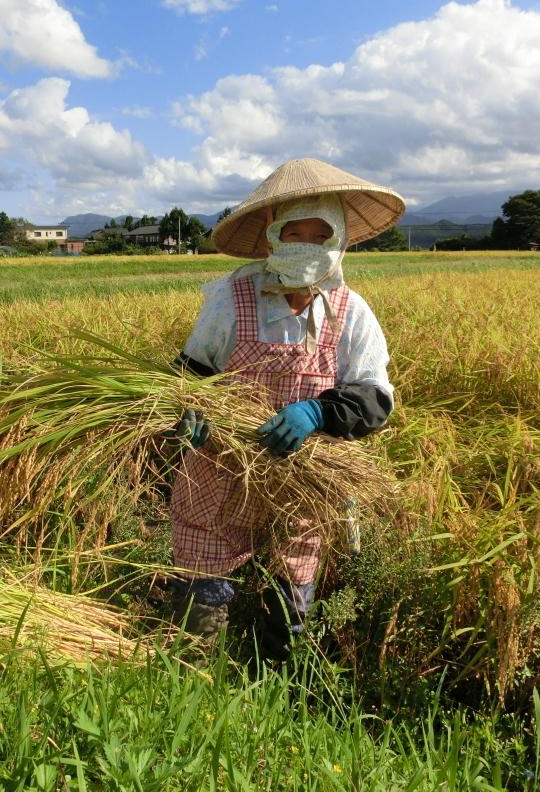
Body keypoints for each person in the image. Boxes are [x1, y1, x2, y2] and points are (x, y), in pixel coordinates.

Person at [167, 157, 405, 660]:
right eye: (294, 233)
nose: (306, 246)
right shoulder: (233, 297)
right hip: (221, 468)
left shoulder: (350, 311)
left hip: (302, 477)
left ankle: (279, 684)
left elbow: (375, 397)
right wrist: (193, 415)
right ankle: (192, 677)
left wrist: (317, 413)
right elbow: (191, 373)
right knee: (201, 600)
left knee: (291, 597)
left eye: (319, 236)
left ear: (338, 240)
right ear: (274, 237)